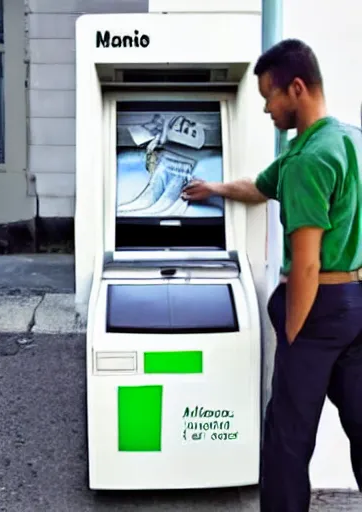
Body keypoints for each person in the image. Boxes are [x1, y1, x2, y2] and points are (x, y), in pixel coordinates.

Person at [181, 39, 362, 512]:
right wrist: (214, 188)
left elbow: (305, 263)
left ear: (296, 88)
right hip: (357, 306)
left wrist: (293, 334)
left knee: (286, 437)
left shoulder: (308, 161)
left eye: (269, 97)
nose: (265, 108)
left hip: (317, 309)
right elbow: (261, 187)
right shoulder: (346, 140)